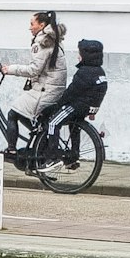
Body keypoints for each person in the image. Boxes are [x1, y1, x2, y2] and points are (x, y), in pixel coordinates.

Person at [0, 11, 68, 158]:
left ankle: (11, 150)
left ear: (41, 25)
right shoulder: (53, 39)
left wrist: (9, 69)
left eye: (32, 24)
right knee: (23, 112)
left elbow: (33, 70)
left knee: (13, 113)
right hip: (51, 88)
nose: (30, 28)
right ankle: (41, 135)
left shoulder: (43, 42)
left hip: (46, 91)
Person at [40, 38, 108, 168]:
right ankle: (73, 155)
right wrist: (95, 110)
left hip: (76, 107)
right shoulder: (100, 72)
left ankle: (52, 157)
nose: (78, 57)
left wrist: (58, 105)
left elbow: (71, 92)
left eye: (80, 54)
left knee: (53, 123)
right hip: (88, 108)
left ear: (86, 55)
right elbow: (99, 94)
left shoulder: (84, 72)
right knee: (74, 127)